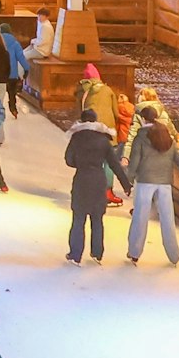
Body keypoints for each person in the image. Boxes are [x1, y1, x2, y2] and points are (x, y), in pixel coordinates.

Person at [126, 104, 179, 266]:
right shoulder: (168, 138)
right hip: (164, 183)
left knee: (140, 218)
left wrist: (128, 181)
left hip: (145, 182)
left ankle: (134, 252)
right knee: (167, 220)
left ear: (142, 119)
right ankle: (174, 255)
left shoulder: (141, 138)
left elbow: (134, 162)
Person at [64, 107, 132, 265]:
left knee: (78, 218)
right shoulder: (103, 139)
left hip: (82, 180)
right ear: (95, 120)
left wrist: (80, 163)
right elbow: (114, 164)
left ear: (82, 120)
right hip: (98, 181)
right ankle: (97, 253)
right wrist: (126, 184)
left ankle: (75, 254)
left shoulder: (76, 137)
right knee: (97, 219)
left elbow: (68, 159)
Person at [73, 64, 124, 207]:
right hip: (106, 131)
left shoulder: (81, 91)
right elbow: (116, 112)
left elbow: (79, 112)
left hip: (88, 131)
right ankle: (107, 192)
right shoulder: (107, 90)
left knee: (91, 160)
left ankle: (88, 191)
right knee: (109, 161)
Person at [0, 24, 29, 117]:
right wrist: (26, 69)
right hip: (12, 74)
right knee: (12, 93)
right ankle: (13, 109)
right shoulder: (15, 43)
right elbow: (21, 57)